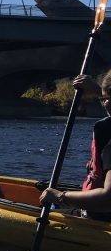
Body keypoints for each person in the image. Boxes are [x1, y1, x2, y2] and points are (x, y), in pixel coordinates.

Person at [39, 73, 111, 220]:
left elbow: (107, 200)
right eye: (102, 99)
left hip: (98, 218)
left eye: (105, 99)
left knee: (42, 211)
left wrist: (61, 196)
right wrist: (99, 90)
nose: (104, 103)